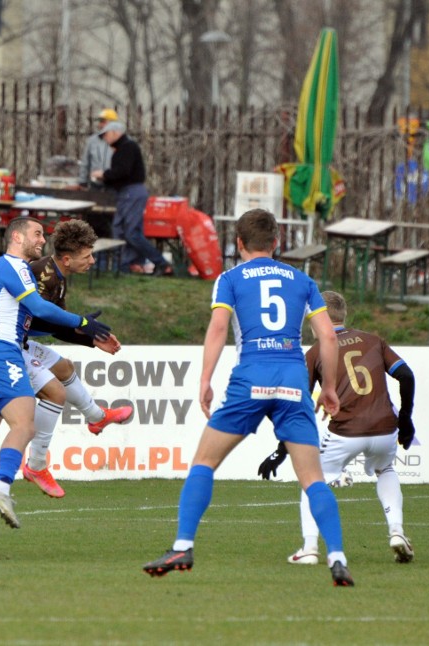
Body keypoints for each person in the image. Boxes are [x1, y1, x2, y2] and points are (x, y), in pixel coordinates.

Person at [142, 208, 355, 587]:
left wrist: (205, 379)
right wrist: (331, 387)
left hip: (250, 378)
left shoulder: (230, 279)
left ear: (238, 244)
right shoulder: (303, 280)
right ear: (278, 243)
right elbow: (326, 336)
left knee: (204, 462)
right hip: (292, 381)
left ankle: (183, 545)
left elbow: (219, 327)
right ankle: (337, 557)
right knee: (313, 479)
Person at [0, 216, 111, 529]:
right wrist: (83, 323)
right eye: (37, 234)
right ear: (17, 237)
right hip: (2, 353)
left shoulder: (12, 270)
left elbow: (40, 319)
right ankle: (2, 487)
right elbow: (42, 309)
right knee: (24, 425)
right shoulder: (12, 266)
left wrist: (81, 328)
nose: (42, 241)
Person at [257, 290, 416, 565]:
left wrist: (282, 448)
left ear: (317, 319)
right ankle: (396, 532)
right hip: (385, 429)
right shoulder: (373, 340)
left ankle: (309, 548)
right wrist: (405, 418)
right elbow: (405, 374)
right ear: (344, 315)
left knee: (312, 479)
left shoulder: (316, 351)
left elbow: (298, 403)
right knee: (386, 469)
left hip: (345, 431)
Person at [21, 219, 133, 498]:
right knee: (54, 393)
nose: (93, 261)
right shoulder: (44, 276)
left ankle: (96, 417)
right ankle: (36, 465)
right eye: (88, 256)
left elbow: (56, 327)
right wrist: (83, 327)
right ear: (68, 259)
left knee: (64, 367)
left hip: (20, 340)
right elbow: (38, 319)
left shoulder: (57, 276)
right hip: (5, 344)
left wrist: (91, 339)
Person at [91, 121, 173, 277]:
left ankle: (161, 263)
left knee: (131, 233)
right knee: (121, 229)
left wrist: (104, 175)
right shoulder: (122, 148)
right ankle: (128, 265)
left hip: (131, 193)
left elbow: (122, 171)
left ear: (116, 132)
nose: (105, 139)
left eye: (106, 135)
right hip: (127, 193)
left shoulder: (127, 147)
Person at [76, 108, 117, 191]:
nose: (100, 124)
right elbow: (85, 162)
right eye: (100, 122)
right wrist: (82, 181)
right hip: (95, 185)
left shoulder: (121, 141)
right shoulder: (92, 141)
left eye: (103, 121)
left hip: (114, 185)